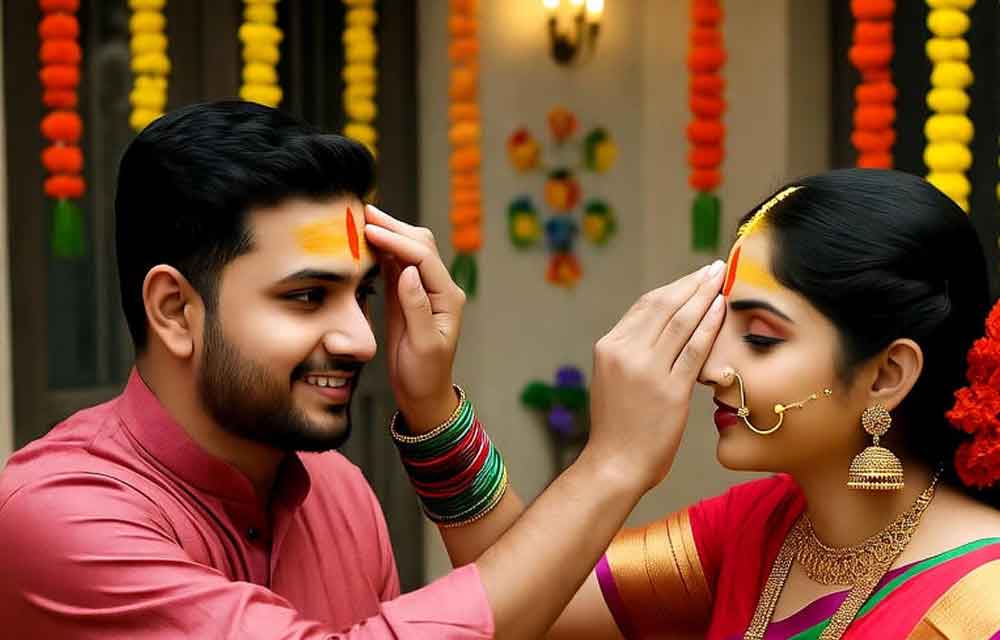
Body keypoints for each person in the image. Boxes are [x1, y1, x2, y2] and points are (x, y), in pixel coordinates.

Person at [0, 100, 729, 639]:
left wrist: (436, 409)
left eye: (362, 294)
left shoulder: (338, 493)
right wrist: (611, 464)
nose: (360, 339)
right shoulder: (54, 516)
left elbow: (533, 614)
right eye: (308, 296)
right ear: (173, 310)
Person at [546, 169, 1000, 640]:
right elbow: (520, 606)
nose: (710, 368)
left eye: (760, 339)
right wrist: (462, 422)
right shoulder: (757, 527)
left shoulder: (980, 609)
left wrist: (612, 464)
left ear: (887, 376)